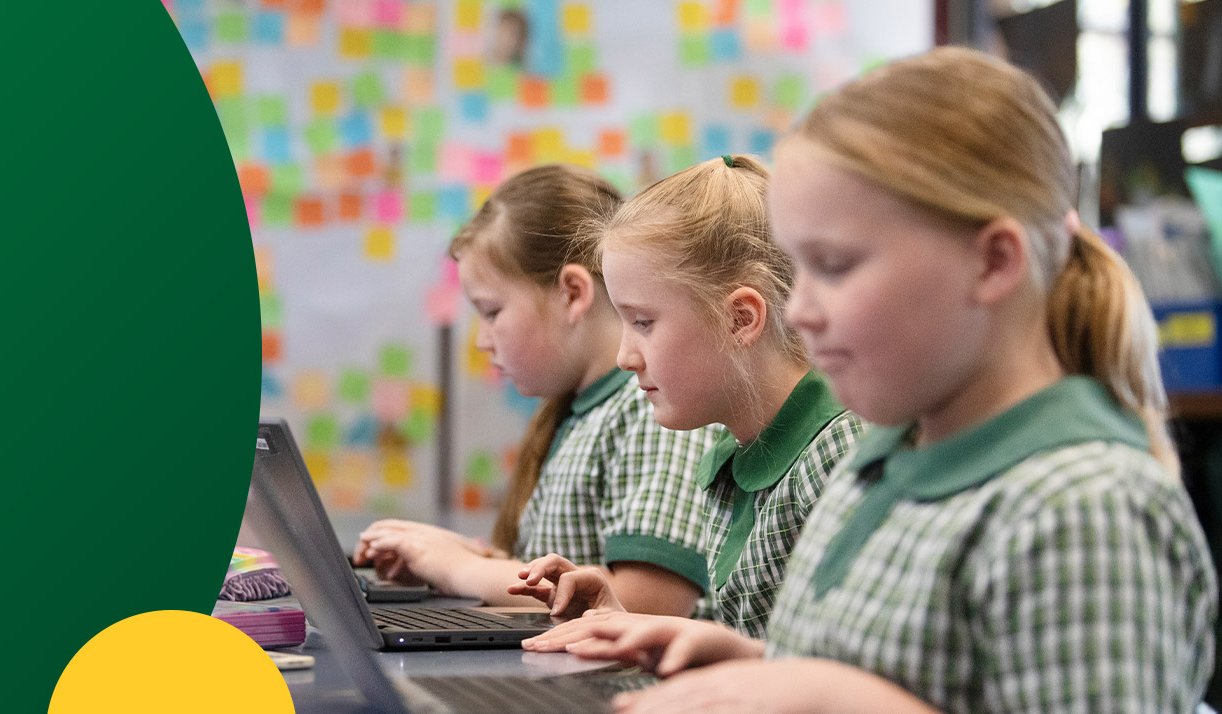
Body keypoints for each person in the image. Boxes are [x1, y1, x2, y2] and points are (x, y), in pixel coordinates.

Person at [548, 47, 1218, 714]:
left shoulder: (1085, 506)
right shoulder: (885, 457)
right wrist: (749, 663)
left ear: (992, 263)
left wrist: (829, 697)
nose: (799, 311)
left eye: (834, 265)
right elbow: (897, 670)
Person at [508, 155, 864, 641]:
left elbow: (841, 663)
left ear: (739, 319)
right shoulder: (732, 454)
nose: (624, 357)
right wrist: (624, 619)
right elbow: (753, 639)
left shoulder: (837, 454)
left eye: (643, 322)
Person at [353, 164, 722, 615]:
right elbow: (566, 578)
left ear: (572, 294)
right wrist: (456, 560)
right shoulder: (580, 413)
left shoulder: (650, 409)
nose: (482, 340)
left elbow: (647, 603)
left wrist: (460, 569)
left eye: (491, 311)